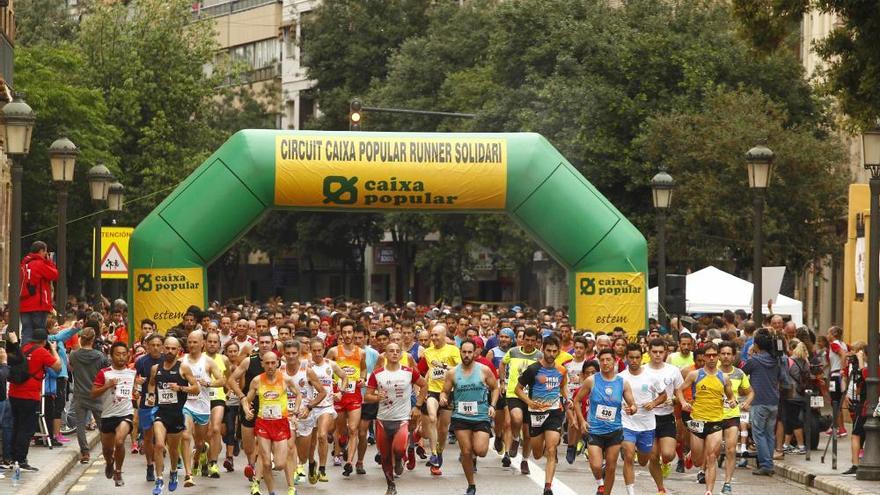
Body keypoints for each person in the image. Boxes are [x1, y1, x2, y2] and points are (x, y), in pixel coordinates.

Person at [366, 342, 427, 495]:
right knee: (385, 456)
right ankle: (391, 486)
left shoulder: (408, 371)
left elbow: (424, 385)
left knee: (398, 449)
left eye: (397, 351)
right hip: (382, 419)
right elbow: (367, 396)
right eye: (391, 351)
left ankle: (399, 459)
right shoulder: (377, 374)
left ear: (401, 354)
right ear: (385, 355)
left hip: (402, 419)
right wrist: (375, 397)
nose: (394, 353)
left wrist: (418, 406)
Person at [574, 348, 636, 495]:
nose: (605, 363)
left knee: (611, 467)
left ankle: (605, 492)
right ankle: (600, 483)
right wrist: (582, 421)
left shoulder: (622, 383)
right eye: (602, 360)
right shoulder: (592, 380)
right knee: (596, 466)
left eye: (608, 360)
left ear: (614, 362)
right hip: (594, 430)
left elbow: (633, 404)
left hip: (614, 431)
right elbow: (576, 401)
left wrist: (632, 409)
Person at [440, 340, 498, 495]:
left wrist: (492, 405)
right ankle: (471, 485)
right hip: (461, 416)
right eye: (464, 352)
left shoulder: (484, 370)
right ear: (460, 352)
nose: (466, 355)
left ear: (475, 352)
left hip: (480, 415)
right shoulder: (452, 372)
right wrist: (443, 398)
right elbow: (444, 391)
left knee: (481, 450)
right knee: (466, 451)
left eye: (469, 352)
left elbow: (495, 388)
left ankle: (475, 445)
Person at [677, 342, 736, 495]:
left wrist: (732, 401)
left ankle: (709, 491)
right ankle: (690, 456)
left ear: (718, 357)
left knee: (711, 458)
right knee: (698, 461)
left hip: (716, 422)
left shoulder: (724, 377)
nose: (711, 358)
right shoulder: (695, 375)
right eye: (708, 355)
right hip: (698, 422)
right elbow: (680, 390)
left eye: (714, 355)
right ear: (703, 357)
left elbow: (730, 395)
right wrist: (683, 403)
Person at [241, 351, 302, 495]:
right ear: (262, 364)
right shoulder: (256, 380)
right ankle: (271, 492)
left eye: (273, 363)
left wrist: (296, 412)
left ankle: (290, 484)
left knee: (279, 464)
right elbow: (246, 400)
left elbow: (298, 394)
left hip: (280, 423)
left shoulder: (285, 379)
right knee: (266, 462)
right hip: (263, 423)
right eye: (267, 363)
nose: (270, 366)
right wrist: (246, 410)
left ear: (278, 363)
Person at [146, 336, 200, 495]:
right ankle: (159, 479)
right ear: (163, 348)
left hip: (176, 415)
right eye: (167, 348)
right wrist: (150, 398)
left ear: (178, 351)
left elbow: (196, 388)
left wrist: (180, 388)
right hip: (160, 413)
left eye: (173, 349)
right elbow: (151, 384)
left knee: (174, 450)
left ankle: (174, 471)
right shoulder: (155, 368)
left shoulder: (183, 368)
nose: (169, 351)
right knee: (159, 445)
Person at [516, 336, 568, 495]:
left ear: (558, 352)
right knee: (538, 454)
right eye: (548, 350)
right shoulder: (533, 369)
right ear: (543, 350)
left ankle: (548, 486)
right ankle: (544, 446)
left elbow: (563, 386)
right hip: (536, 413)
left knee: (551, 450)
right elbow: (518, 389)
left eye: (554, 351)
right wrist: (529, 402)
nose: (551, 354)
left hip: (554, 412)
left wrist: (567, 398)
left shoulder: (561, 370)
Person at [8, 327, 62, 471]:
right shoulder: (42, 352)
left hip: (14, 393)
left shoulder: (24, 348)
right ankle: (21, 460)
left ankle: (12, 458)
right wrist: (53, 349)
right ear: (44, 341)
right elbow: (58, 366)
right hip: (29, 395)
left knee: (16, 425)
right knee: (26, 428)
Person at [619, 343, 667, 495]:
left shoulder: (650, 377)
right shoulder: (620, 378)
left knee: (644, 460)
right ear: (626, 358)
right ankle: (630, 492)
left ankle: (660, 487)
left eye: (637, 357)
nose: (634, 361)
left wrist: (653, 403)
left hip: (647, 424)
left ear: (641, 358)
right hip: (626, 422)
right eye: (631, 357)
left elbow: (664, 395)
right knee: (628, 455)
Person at [181, 330, 225, 486]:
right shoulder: (182, 360)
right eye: (190, 342)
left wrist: (210, 383)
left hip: (203, 406)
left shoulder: (208, 362)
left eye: (195, 342)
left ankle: (199, 454)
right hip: (186, 404)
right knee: (185, 435)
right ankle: (187, 474)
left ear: (202, 344)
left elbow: (222, 380)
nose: (192, 345)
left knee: (199, 442)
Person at [91, 342, 137, 487]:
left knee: (119, 441)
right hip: (108, 415)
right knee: (107, 449)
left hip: (126, 413)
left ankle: (118, 471)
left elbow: (136, 390)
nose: (121, 357)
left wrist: (136, 391)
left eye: (124, 354)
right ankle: (110, 462)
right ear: (111, 356)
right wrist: (108, 385)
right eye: (118, 354)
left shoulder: (132, 373)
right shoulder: (104, 373)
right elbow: (93, 393)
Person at [418, 322, 462, 475]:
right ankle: (434, 454)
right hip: (432, 391)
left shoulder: (453, 350)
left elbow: (461, 369)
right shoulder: (428, 352)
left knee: (443, 429)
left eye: (436, 335)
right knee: (431, 418)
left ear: (444, 336)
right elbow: (428, 371)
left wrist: (443, 366)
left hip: (448, 392)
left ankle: (439, 452)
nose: (433, 337)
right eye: (432, 335)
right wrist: (421, 389)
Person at [325, 319, 367, 476]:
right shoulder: (334, 352)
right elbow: (325, 370)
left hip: (354, 394)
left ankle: (349, 462)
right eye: (345, 332)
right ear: (340, 334)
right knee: (341, 429)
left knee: (353, 429)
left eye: (351, 332)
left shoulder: (360, 352)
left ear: (354, 333)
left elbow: (363, 370)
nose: (348, 335)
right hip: (338, 395)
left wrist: (363, 379)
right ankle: (341, 441)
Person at [499, 326, 542, 473]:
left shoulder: (540, 356)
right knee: (516, 419)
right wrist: (502, 381)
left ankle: (524, 460)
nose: (529, 343)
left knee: (529, 432)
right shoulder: (513, 351)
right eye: (527, 340)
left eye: (533, 341)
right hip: (514, 393)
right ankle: (516, 439)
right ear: (522, 340)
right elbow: (503, 363)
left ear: (537, 342)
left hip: (532, 396)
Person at [306, 337, 348, 483]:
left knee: (322, 436)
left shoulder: (331, 364)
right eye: (314, 350)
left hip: (326, 406)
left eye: (319, 350)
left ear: (324, 349)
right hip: (309, 407)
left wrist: (340, 392)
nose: (317, 353)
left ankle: (322, 470)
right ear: (310, 350)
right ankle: (311, 464)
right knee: (310, 443)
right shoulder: (306, 367)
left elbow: (344, 377)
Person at [742, 329, 783, 476]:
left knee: (759, 433)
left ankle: (766, 464)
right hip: (773, 401)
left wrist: (750, 355)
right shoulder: (776, 359)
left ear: (757, 345)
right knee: (769, 434)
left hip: (759, 400)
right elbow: (782, 377)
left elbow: (742, 372)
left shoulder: (754, 361)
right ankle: (768, 463)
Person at [69, 327, 110, 464]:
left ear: (81, 338)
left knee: (80, 424)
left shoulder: (74, 355)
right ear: (93, 339)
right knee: (102, 425)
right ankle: (107, 451)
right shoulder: (99, 356)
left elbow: (71, 367)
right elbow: (107, 370)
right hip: (96, 393)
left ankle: (85, 452)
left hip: (80, 394)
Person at [718, 341, 753, 493]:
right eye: (723, 354)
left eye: (729, 354)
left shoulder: (739, 373)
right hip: (713, 416)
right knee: (713, 450)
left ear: (733, 356)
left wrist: (747, 403)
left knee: (731, 450)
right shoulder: (712, 372)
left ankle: (727, 483)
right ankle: (704, 469)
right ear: (719, 355)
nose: (726, 357)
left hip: (732, 415)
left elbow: (750, 391)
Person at [135, 333, 165, 480]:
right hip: (147, 401)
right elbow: (135, 380)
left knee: (162, 437)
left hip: (165, 402)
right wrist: (138, 384)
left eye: (158, 345)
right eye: (152, 345)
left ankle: (159, 458)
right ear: (147, 346)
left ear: (163, 346)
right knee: (148, 436)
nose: (155, 348)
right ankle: (149, 466)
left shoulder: (167, 360)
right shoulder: (141, 362)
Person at [18, 241, 59, 344]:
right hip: (38, 305)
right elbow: (54, 275)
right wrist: (49, 261)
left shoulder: (23, 264)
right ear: (41, 251)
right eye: (45, 252)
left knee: (26, 332)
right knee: (39, 332)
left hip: (24, 305)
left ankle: (26, 355)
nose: (46, 254)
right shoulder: (40, 264)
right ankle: (36, 355)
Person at [205, 331, 232, 478]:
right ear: (205, 342)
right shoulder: (199, 358)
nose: (212, 344)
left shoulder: (224, 359)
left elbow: (226, 378)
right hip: (201, 399)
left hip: (218, 397)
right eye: (210, 341)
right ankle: (203, 458)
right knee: (204, 435)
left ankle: (213, 463)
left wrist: (227, 393)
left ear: (219, 344)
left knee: (215, 429)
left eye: (215, 342)